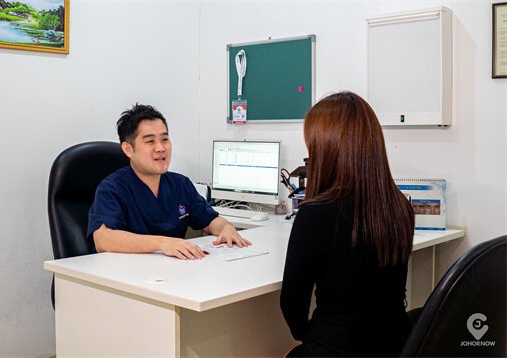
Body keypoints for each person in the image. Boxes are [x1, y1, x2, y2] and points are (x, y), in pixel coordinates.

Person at [280, 91, 415, 357]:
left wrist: (310, 338)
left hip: (337, 349)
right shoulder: (399, 205)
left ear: (326, 149)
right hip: (395, 346)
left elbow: (292, 304)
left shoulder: (317, 214)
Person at [87, 104, 250, 259]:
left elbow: (210, 220)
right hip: (126, 276)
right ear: (128, 149)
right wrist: (162, 243)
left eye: (164, 139)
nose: (160, 148)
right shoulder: (112, 188)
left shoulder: (180, 184)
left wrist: (226, 228)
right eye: (150, 141)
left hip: (172, 275)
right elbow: (103, 240)